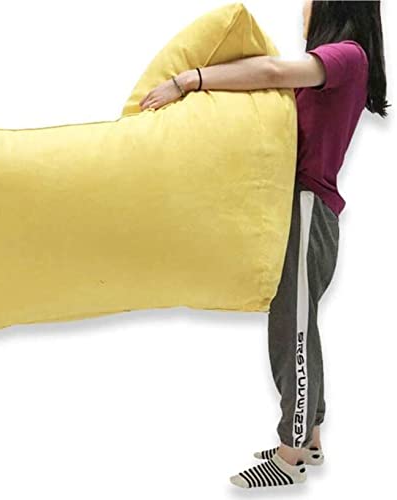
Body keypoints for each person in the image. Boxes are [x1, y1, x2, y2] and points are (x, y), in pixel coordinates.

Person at [139, 0, 390, 489]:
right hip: (301, 209)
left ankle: (290, 456)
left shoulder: (347, 55)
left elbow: (273, 71)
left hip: (308, 209)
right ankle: (309, 438)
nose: (303, 7)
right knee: (300, 326)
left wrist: (189, 80)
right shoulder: (342, 61)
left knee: (290, 330)